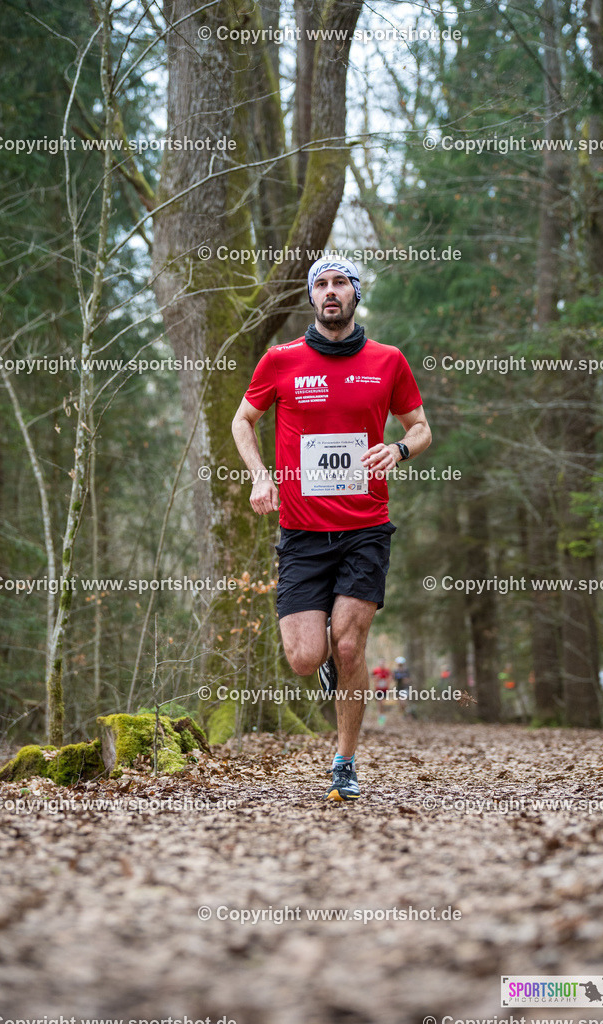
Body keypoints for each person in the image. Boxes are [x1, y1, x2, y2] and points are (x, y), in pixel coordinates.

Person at [231, 257, 431, 801]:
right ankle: (327, 671)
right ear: (311, 299)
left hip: (366, 526)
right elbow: (241, 420)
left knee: (348, 646)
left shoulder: (387, 361)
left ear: (355, 294)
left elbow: (420, 426)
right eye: (320, 284)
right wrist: (259, 476)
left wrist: (400, 448)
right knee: (305, 657)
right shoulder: (281, 362)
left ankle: (344, 761)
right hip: (301, 532)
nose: (330, 292)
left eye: (340, 282)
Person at [372, 657, 392, 726]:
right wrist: (376, 679)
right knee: (379, 704)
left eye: (383, 662)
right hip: (378, 690)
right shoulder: (375, 670)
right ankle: (380, 718)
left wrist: (387, 682)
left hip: (385, 690)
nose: (382, 663)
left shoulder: (387, 671)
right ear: (379, 663)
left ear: (384, 663)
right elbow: (373, 679)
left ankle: (382, 718)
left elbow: (390, 679)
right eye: (380, 662)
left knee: (383, 703)